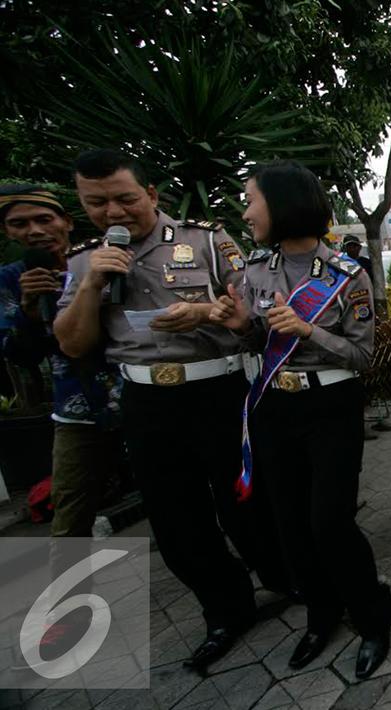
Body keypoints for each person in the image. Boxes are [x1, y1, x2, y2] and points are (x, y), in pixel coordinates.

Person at [54, 149, 289, 671]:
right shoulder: (82, 261)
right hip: (146, 403)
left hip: (217, 392)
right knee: (176, 520)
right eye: (96, 203)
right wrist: (92, 284)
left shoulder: (204, 240)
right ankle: (226, 609)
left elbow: (254, 311)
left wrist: (205, 312)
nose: (112, 212)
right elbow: (72, 344)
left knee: (247, 502)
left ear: (151, 196)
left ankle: (284, 580)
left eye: (124, 199)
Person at [209, 160, 391, 679]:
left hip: (330, 409)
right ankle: (321, 614)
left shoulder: (345, 274)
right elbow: (250, 343)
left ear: (283, 204)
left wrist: (309, 332)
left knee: (329, 522)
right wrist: (242, 325)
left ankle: (372, 616)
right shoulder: (254, 270)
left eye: (252, 201)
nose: (245, 213)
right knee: (290, 523)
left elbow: (363, 356)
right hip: (273, 407)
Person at [0, 186, 124, 544]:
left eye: (44, 219)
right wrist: (26, 310)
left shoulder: (98, 259)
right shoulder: (11, 280)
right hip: (76, 406)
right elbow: (18, 356)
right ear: (8, 232)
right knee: (70, 516)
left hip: (135, 391)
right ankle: (71, 595)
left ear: (66, 222)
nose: (34, 231)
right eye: (19, 223)